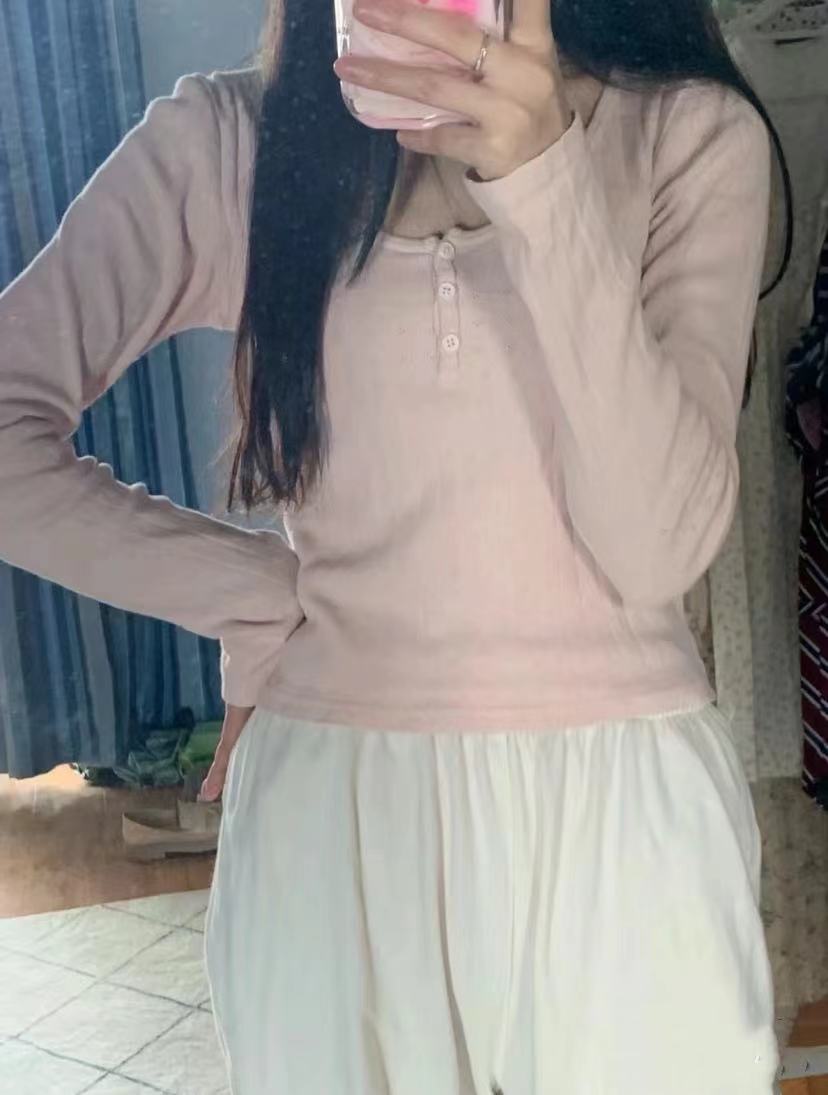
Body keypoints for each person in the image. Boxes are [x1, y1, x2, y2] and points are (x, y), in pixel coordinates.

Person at [0, 0, 789, 1090]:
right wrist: (249, 591)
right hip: (337, 813)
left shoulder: (689, 134)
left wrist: (544, 177)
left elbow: (658, 546)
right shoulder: (229, 145)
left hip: (625, 823)